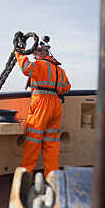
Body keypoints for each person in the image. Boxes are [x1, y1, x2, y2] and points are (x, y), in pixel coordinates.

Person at [15, 38, 71, 177]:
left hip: (41, 106)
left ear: (43, 52)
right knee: (52, 145)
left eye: (36, 53)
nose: (34, 56)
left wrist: (18, 52)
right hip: (56, 107)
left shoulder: (39, 65)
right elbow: (66, 88)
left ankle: (25, 177)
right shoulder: (60, 71)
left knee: (32, 143)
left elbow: (25, 68)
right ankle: (52, 180)